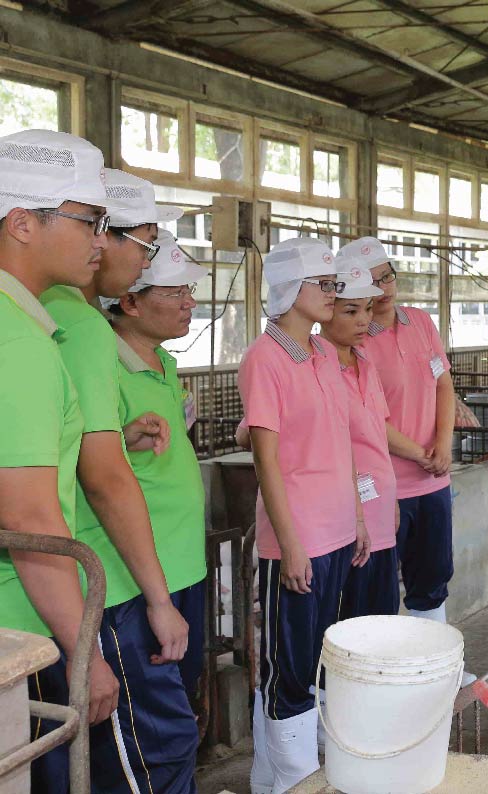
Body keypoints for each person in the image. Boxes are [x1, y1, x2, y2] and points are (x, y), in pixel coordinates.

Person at [39, 167, 196, 794]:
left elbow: (76, 445)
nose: (107, 246)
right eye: (141, 241)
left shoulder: (60, 317)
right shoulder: (74, 323)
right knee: (149, 749)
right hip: (108, 580)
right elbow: (102, 477)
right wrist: (157, 599)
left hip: (110, 578)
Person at [0, 129, 123, 794]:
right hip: (13, 637)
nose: (100, 241)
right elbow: (29, 519)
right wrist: (87, 654)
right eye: (89, 221)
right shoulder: (17, 341)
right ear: (22, 222)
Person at [240, 237, 369, 794]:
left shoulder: (321, 355)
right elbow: (265, 460)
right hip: (298, 539)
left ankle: (274, 778)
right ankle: (296, 777)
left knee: (317, 656)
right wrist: (288, 544)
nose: (334, 295)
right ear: (292, 291)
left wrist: (359, 518)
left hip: (338, 531)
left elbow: (341, 441)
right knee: (288, 670)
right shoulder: (263, 358)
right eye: (326, 285)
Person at [102, 231, 211, 703]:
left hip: (186, 565)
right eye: (174, 292)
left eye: (189, 291)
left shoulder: (164, 360)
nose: (189, 303)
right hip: (141, 580)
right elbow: (90, 468)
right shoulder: (105, 366)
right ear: (130, 301)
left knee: (184, 694)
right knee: (150, 714)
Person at [346, 238, 458, 626]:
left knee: (432, 578)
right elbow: (366, 415)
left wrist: (443, 445)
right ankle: (384, 674)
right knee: (376, 587)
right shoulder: (355, 340)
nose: (385, 288)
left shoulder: (421, 323)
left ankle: (436, 665)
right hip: (385, 485)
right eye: (373, 282)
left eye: (388, 276)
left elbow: (444, 384)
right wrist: (419, 453)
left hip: (433, 480)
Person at [328, 253, 400, 621]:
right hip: (345, 519)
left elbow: (376, 436)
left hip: (381, 511)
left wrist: (393, 499)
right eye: (351, 311)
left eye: (368, 309)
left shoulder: (366, 364)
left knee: (383, 615)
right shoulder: (315, 368)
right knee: (351, 623)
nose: (364, 321)